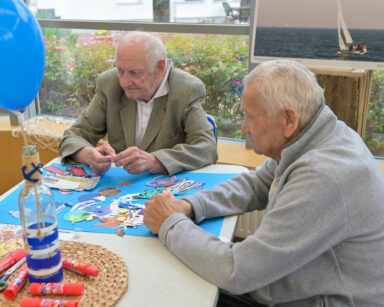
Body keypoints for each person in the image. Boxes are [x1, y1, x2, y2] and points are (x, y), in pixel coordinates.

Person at [143, 59, 384, 306]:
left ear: (288, 119)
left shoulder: (322, 175)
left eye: (250, 116)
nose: (244, 127)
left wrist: (170, 223)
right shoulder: (317, 133)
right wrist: (190, 205)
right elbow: (257, 183)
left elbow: (237, 271)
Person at [59, 31, 217, 176]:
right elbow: (74, 136)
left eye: (135, 73)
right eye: (120, 70)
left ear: (160, 68)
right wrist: (88, 154)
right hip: (121, 189)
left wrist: (155, 161)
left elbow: (206, 148)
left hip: (167, 189)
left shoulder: (186, 89)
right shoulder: (109, 84)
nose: (125, 82)